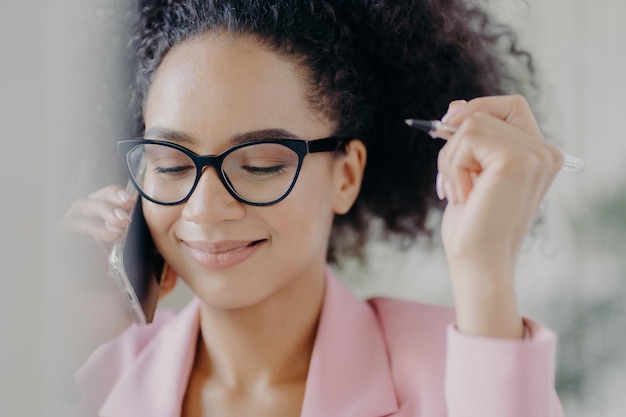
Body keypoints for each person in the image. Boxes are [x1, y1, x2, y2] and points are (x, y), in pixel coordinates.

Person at [63, 0, 565, 415]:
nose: (204, 208)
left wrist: (485, 267)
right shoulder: (94, 373)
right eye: (170, 164)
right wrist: (65, 328)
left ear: (346, 175)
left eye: (260, 165)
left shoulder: (455, 365)